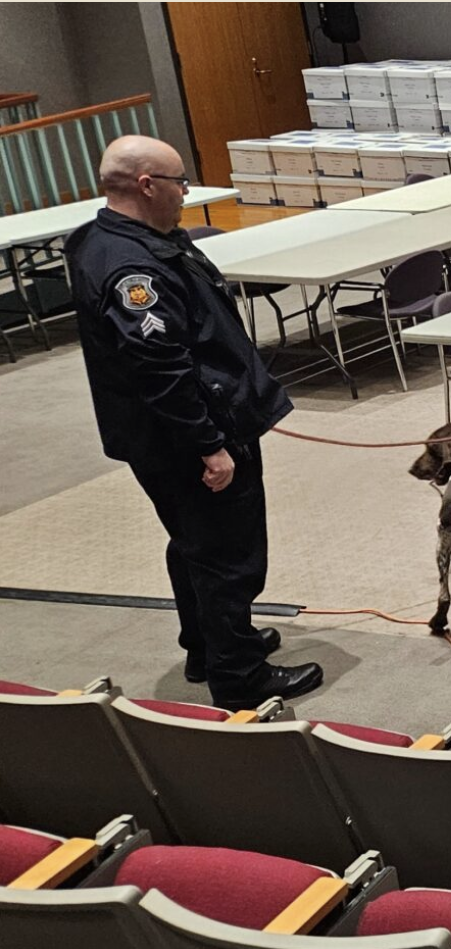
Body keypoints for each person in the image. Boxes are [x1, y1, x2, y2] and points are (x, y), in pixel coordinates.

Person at [66, 135, 323, 709]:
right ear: (146, 185)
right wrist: (210, 445)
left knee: (194, 545)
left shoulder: (110, 238)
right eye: (180, 180)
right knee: (229, 555)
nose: (188, 192)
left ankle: (208, 645)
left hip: (166, 432)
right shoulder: (135, 265)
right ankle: (240, 677)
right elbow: (162, 368)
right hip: (189, 435)